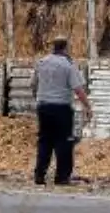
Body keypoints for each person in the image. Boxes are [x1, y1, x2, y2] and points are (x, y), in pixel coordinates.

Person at [30, 35, 92, 186]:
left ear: (53, 47)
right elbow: (78, 89)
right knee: (63, 142)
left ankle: (39, 175)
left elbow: (33, 84)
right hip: (61, 109)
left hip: (43, 107)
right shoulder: (68, 65)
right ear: (66, 47)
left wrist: (40, 99)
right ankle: (62, 177)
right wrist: (87, 106)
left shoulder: (41, 62)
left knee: (44, 141)